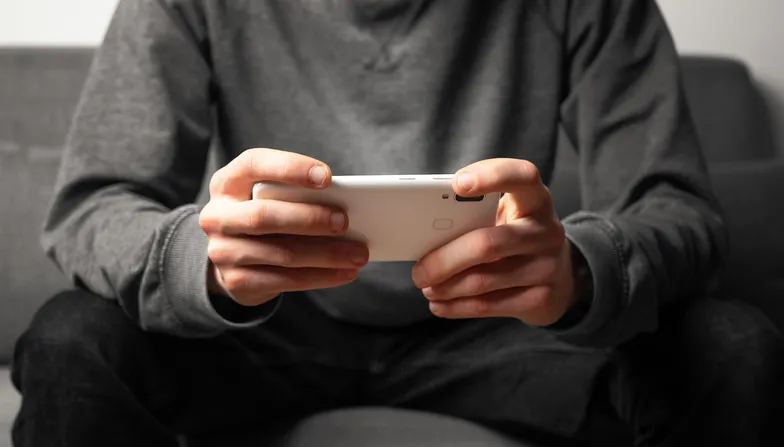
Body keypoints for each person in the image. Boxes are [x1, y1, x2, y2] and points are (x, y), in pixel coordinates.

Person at [11, 0, 784, 445]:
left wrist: (579, 270)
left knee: (735, 346)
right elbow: (95, 204)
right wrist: (202, 262)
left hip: (502, 329)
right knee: (70, 339)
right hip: (266, 332)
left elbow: (678, 208)